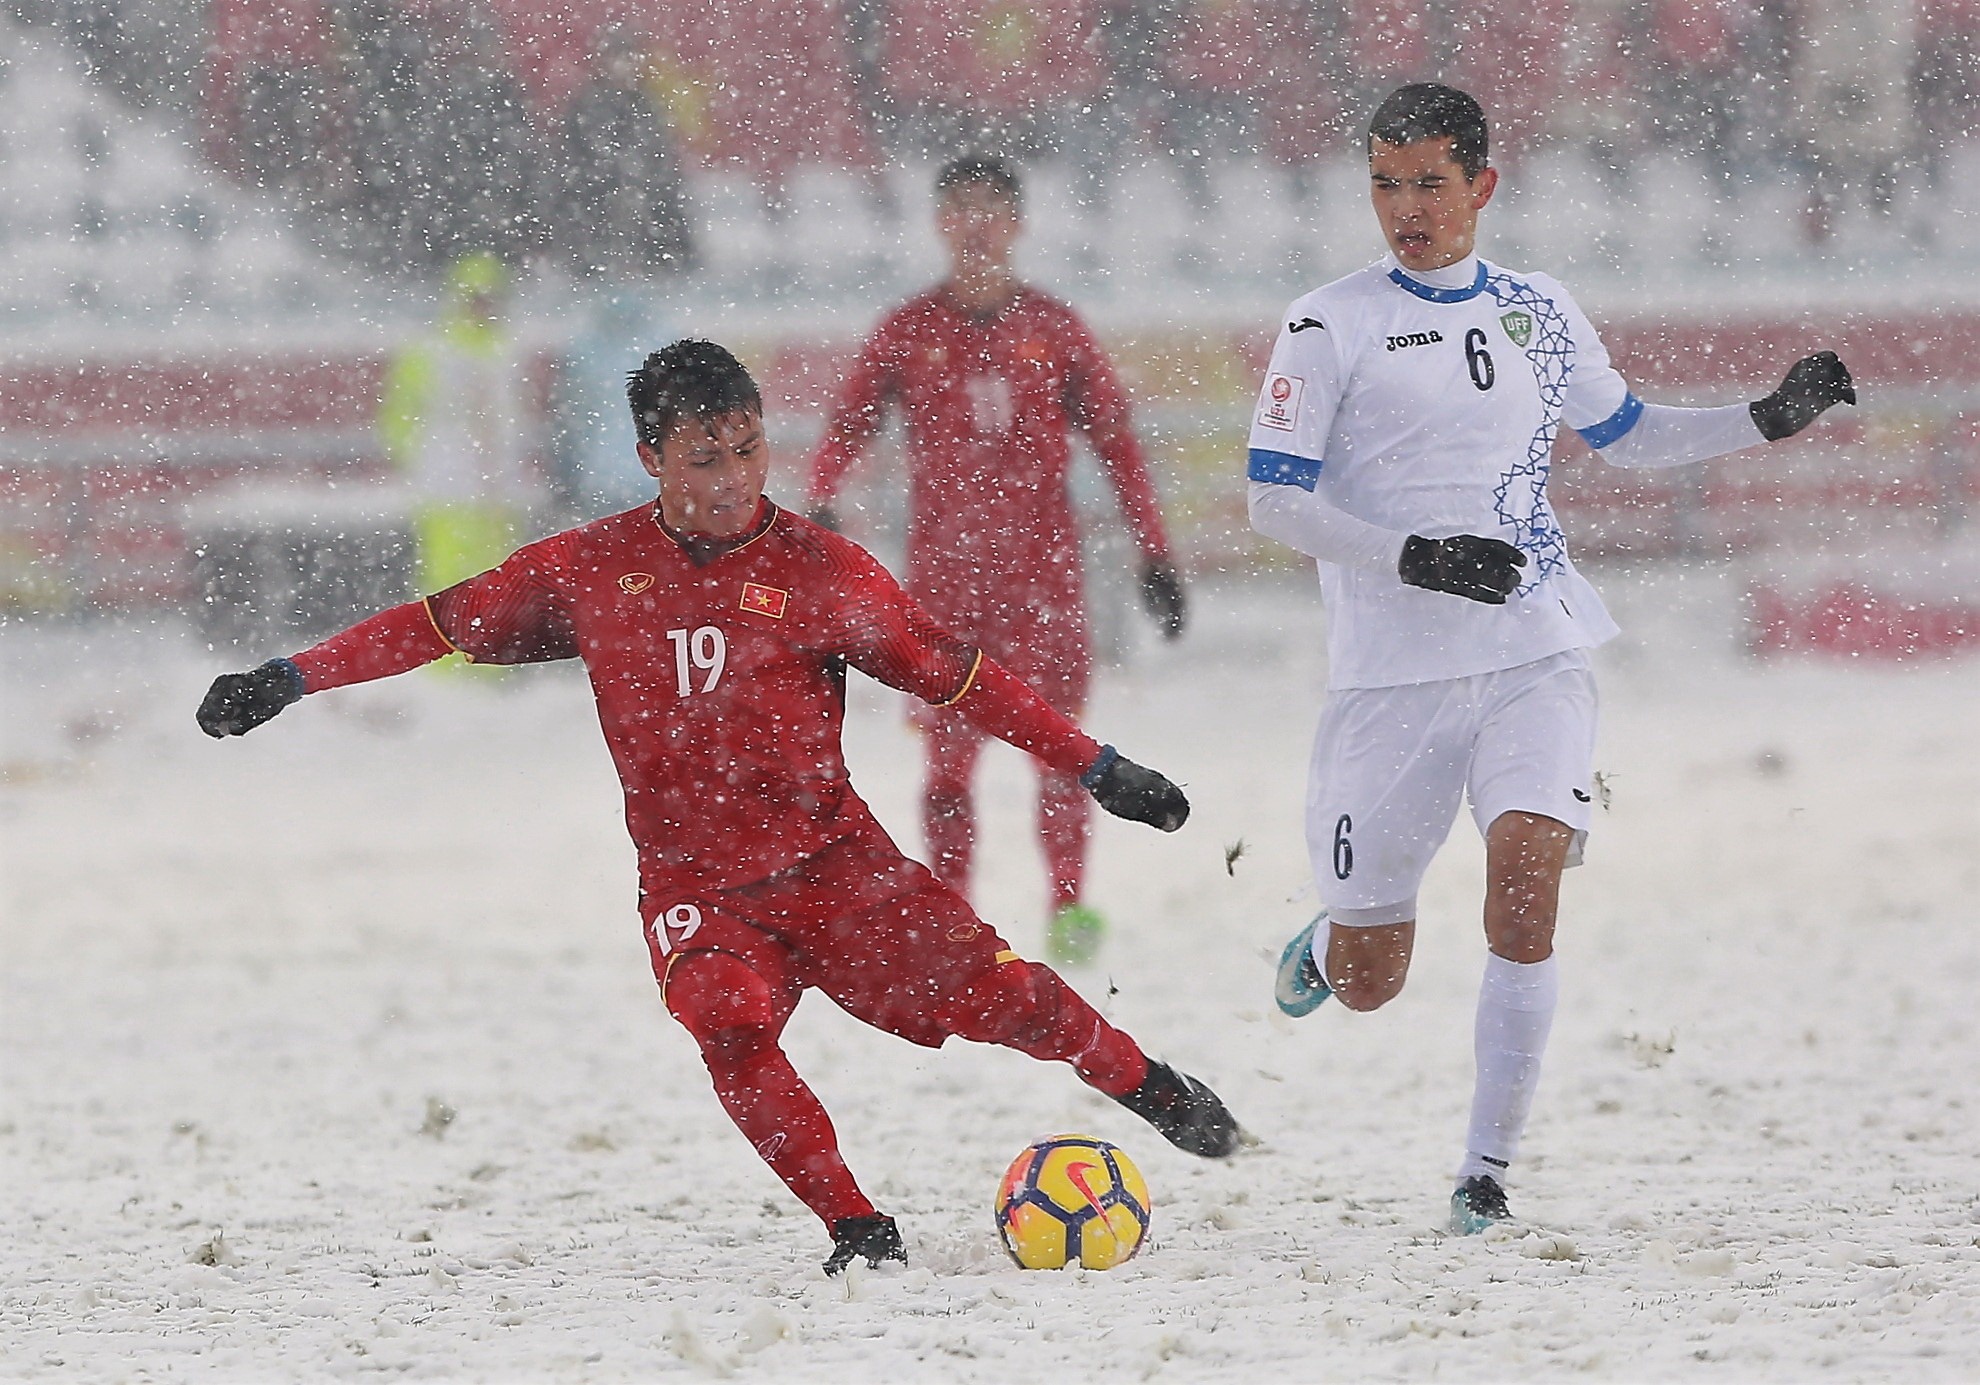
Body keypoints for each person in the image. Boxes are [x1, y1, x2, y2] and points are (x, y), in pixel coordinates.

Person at [198, 340, 1241, 1274]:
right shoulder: (589, 568)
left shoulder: (823, 572)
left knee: (1011, 1002)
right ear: (651, 458)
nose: (737, 477)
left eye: (749, 449)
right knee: (727, 1020)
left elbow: (959, 676)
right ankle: (858, 1229)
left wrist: (1098, 765)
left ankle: (1152, 1086)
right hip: (696, 883)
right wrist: (289, 677)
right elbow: (436, 623)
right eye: (707, 458)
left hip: (837, 865)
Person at [1250, 84, 1855, 1234]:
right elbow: (1273, 500)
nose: (1407, 208)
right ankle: (1332, 942)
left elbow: (1627, 435)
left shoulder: (1538, 307)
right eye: (1386, 183)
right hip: (1390, 680)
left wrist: (1764, 417)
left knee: (1524, 892)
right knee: (1373, 980)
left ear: (1483, 184)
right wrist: (1418, 556)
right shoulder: (1328, 323)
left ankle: (1484, 1172)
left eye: (1430, 182)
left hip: (1537, 646)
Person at [806, 156, 1186, 967]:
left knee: (1061, 752)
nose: (975, 226)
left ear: (1017, 224)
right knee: (948, 763)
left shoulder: (1054, 329)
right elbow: (848, 423)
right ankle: (956, 920)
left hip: (1042, 578)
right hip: (945, 585)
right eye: (960, 209)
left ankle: (1070, 907)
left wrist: (1154, 550)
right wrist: (825, 499)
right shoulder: (910, 330)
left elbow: (1116, 441)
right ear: (939, 223)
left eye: (991, 210)